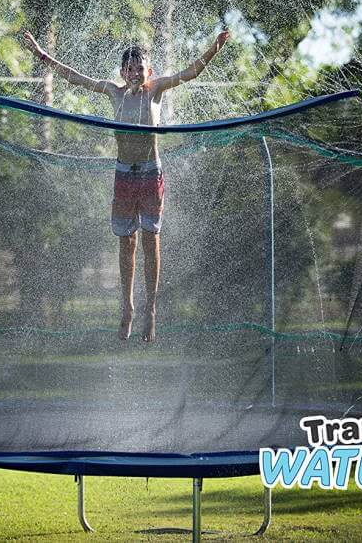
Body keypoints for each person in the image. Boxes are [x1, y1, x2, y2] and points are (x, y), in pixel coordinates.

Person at [22, 29, 231, 342]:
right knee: (127, 242)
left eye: (140, 68)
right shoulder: (113, 92)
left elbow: (191, 72)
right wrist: (41, 55)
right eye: (129, 68)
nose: (135, 72)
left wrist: (213, 47)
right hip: (124, 175)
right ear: (122, 72)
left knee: (151, 240)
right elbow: (74, 77)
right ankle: (128, 307)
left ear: (150, 71)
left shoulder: (156, 89)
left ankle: (151, 309)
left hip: (151, 173)